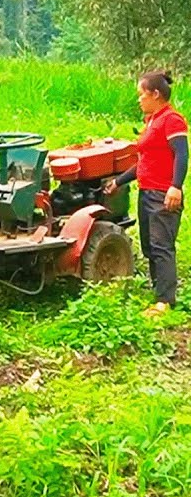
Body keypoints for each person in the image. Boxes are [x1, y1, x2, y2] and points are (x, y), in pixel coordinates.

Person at [105, 70, 186, 315]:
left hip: (163, 192)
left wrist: (176, 186)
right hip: (146, 191)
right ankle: (157, 289)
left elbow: (182, 154)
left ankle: (165, 301)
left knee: (162, 245)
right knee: (150, 245)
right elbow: (144, 162)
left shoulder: (172, 120)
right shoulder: (152, 121)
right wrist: (119, 181)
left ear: (156, 94)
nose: (139, 99)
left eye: (142, 94)